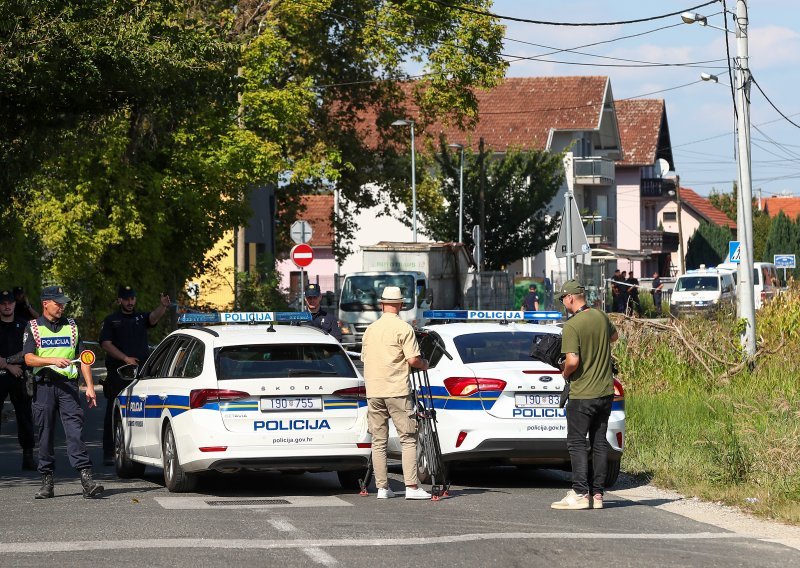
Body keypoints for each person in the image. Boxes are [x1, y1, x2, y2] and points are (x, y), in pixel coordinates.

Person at [23, 285, 103, 499]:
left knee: (75, 432)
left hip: (68, 387)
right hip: (44, 387)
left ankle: (87, 480)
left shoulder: (73, 326)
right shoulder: (33, 327)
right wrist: (52, 360)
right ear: (45, 304)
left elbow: (84, 357)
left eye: (63, 303)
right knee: (45, 434)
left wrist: (89, 387)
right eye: (57, 303)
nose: (61, 307)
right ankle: (47, 482)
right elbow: (28, 358)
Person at [551, 279, 618, 511]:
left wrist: (564, 372)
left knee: (578, 443)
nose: (563, 303)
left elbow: (573, 360)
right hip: (606, 392)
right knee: (599, 443)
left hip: (582, 394)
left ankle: (580, 493)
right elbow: (613, 338)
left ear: (570, 297)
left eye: (563, 299)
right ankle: (598, 495)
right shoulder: (601, 317)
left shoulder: (572, 325)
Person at [361, 286, 431, 500]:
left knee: (378, 440)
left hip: (373, 390)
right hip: (397, 390)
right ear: (400, 305)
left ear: (382, 304)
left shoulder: (370, 329)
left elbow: (364, 359)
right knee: (408, 438)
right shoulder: (404, 329)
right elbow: (412, 360)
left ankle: (382, 488)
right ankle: (411, 487)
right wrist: (425, 364)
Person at [99, 286, 170, 465]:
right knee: (114, 411)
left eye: (132, 299)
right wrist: (125, 358)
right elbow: (106, 344)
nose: (130, 302)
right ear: (119, 301)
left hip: (141, 373)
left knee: (140, 410)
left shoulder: (140, 318)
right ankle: (109, 451)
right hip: (119, 373)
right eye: (126, 299)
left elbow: (152, 318)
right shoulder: (111, 320)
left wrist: (162, 307)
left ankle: (139, 448)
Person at [0, 289, 36, 470]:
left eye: (10, 302)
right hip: (3, 375)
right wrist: (8, 366)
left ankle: (28, 455)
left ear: (15, 304)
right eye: (3, 303)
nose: (7, 306)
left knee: (24, 416)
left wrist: (5, 361)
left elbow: (27, 352)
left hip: (20, 375)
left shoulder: (24, 326)